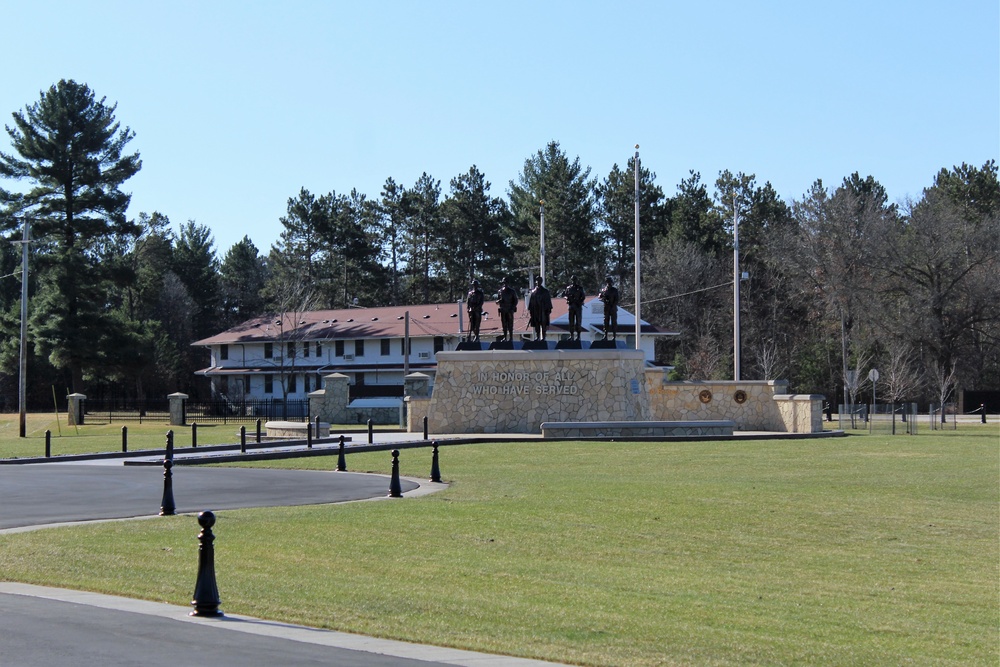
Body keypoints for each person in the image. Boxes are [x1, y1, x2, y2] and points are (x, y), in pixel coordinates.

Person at [527, 276, 553, 341]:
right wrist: (531, 311)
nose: (538, 282)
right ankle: (538, 337)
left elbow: (548, 302)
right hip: (535, 310)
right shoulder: (533, 292)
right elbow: (531, 302)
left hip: (543, 310)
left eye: (539, 281)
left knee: (543, 324)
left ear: (541, 282)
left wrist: (548, 310)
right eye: (537, 281)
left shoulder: (545, 291)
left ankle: (543, 337)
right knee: (536, 324)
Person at [495, 276, 518, 342]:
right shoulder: (500, 291)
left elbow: (515, 300)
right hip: (503, 309)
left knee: (510, 324)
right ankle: (505, 337)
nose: (505, 284)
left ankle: (511, 338)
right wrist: (498, 301)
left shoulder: (512, 291)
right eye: (504, 282)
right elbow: (497, 300)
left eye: (506, 282)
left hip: (509, 309)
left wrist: (512, 308)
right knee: (504, 324)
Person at [564, 275, 586, 341]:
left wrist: (580, 302)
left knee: (578, 322)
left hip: (578, 307)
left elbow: (583, 296)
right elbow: (565, 295)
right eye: (572, 280)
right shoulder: (568, 288)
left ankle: (578, 336)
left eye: (574, 280)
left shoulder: (580, 288)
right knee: (571, 322)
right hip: (571, 306)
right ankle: (571, 335)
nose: (573, 281)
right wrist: (568, 299)